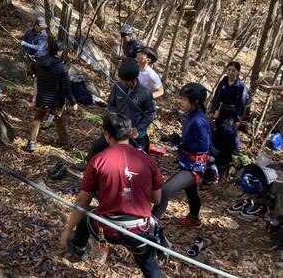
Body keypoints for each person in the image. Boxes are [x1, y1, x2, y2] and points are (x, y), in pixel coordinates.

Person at [60, 112, 164, 278]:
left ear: (107, 134)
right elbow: (157, 199)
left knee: (87, 215)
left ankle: (78, 247)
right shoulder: (147, 160)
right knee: (149, 265)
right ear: (130, 133)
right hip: (138, 229)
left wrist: (67, 231)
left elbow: (82, 201)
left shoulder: (98, 160)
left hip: (106, 228)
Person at [152, 83, 211, 228]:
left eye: (185, 100)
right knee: (191, 192)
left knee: (165, 190)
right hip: (188, 162)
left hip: (195, 167)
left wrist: (181, 143)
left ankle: (151, 221)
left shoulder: (198, 121)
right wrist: (175, 139)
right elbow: (191, 140)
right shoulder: (191, 115)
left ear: (195, 102)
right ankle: (194, 219)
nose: (181, 102)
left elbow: (203, 147)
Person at [86, 60, 156, 162]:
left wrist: (139, 129)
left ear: (134, 79)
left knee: (139, 160)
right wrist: (115, 118)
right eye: (122, 80)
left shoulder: (145, 93)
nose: (123, 83)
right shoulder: (117, 87)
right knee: (97, 146)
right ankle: (86, 163)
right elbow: (111, 104)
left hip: (136, 133)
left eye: (126, 81)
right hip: (117, 129)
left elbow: (151, 113)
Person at [23, 40, 78, 152]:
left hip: (42, 99)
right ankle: (63, 141)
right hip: (56, 100)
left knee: (37, 119)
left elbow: (35, 78)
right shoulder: (61, 67)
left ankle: (31, 143)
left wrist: (35, 95)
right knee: (59, 120)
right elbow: (66, 87)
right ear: (58, 52)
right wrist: (73, 102)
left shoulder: (40, 61)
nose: (62, 52)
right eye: (61, 50)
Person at [208, 61, 248, 127]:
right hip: (219, 111)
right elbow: (217, 97)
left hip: (232, 113)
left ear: (238, 72)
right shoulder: (223, 82)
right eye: (229, 70)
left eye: (233, 70)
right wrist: (213, 111)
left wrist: (238, 119)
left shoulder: (241, 86)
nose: (230, 72)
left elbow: (242, 104)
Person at [20, 16, 48, 101]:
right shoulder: (28, 32)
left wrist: (26, 44)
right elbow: (23, 43)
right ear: (36, 25)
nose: (43, 28)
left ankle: (36, 96)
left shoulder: (44, 35)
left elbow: (39, 47)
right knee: (33, 76)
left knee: (37, 78)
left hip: (40, 58)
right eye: (41, 26)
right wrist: (24, 51)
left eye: (43, 27)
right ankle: (35, 94)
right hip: (30, 57)